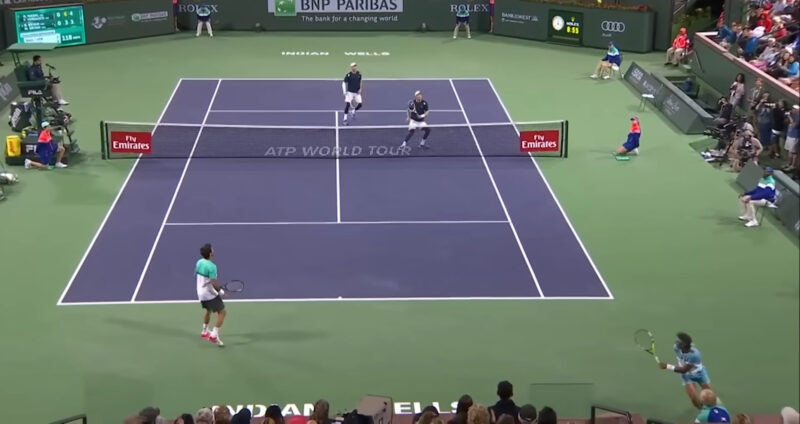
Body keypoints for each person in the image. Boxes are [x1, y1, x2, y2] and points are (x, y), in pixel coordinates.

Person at [658, 332, 714, 409]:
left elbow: (684, 370)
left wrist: (667, 366)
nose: (675, 343)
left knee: (710, 394)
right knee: (693, 398)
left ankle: (714, 408)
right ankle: (702, 410)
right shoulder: (676, 348)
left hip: (699, 373)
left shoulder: (695, 355)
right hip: (686, 376)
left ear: (684, 344)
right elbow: (684, 371)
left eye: (678, 342)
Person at [197, 243, 225, 346]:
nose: (214, 251)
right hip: (209, 293)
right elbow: (213, 283)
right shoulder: (212, 267)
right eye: (212, 250)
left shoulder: (199, 262)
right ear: (210, 254)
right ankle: (213, 335)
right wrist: (220, 292)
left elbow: (203, 278)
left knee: (208, 310)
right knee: (222, 312)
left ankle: (204, 331)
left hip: (200, 293)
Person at [783, 104, 799, 172]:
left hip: (795, 136)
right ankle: (789, 163)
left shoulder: (798, 117)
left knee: (794, 152)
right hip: (790, 134)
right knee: (789, 151)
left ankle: (793, 166)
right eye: (792, 108)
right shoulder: (793, 115)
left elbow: (794, 125)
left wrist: (789, 117)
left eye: (794, 109)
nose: (793, 110)